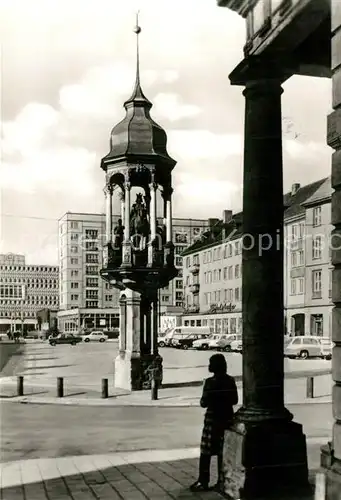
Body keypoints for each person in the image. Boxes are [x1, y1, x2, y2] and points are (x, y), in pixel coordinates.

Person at [190, 353, 238, 492]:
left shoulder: (210, 382)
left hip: (212, 419)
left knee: (206, 452)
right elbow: (234, 400)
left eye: (210, 363)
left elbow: (203, 403)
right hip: (227, 418)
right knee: (222, 451)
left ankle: (203, 481)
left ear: (214, 366)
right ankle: (221, 481)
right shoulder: (230, 381)